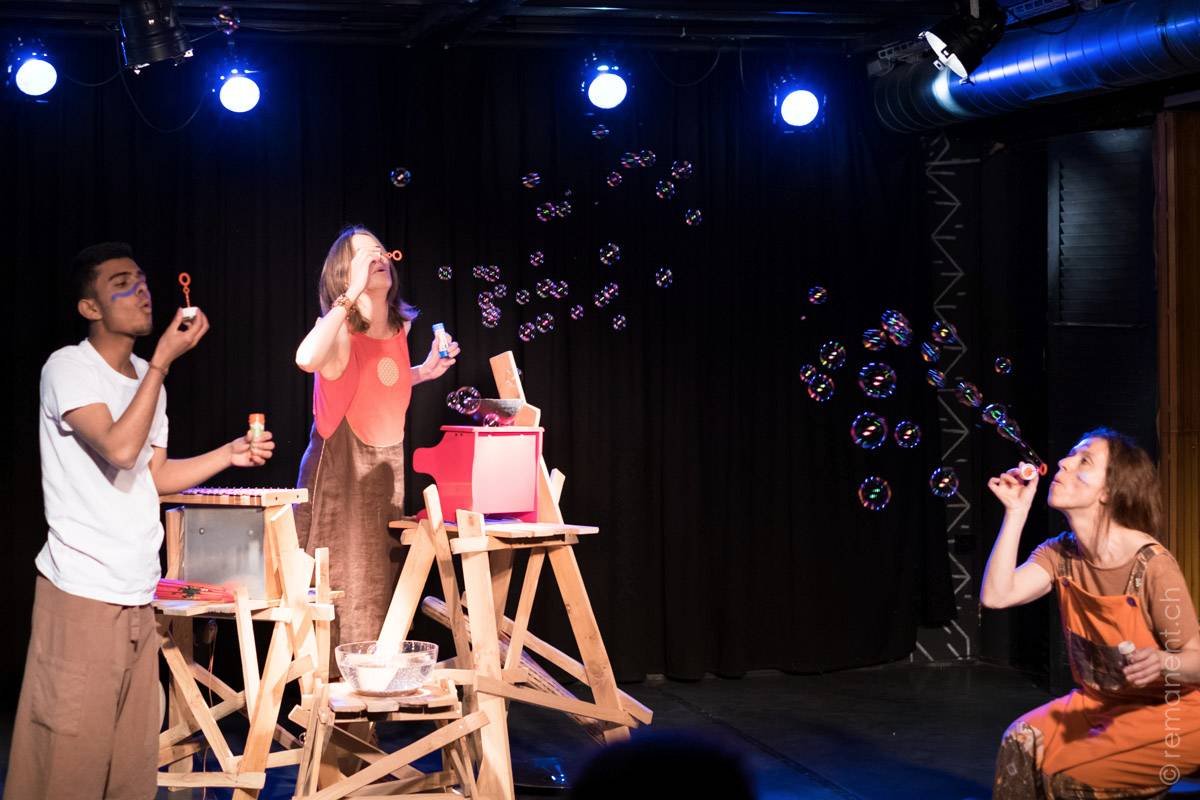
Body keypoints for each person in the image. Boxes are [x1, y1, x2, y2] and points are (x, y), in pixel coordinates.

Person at [4, 242, 275, 800]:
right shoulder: (68, 367)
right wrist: (162, 363)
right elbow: (120, 448)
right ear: (90, 308)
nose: (142, 291)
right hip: (81, 593)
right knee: (68, 765)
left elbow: (153, 477)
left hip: (137, 593)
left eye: (143, 280)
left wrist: (228, 454)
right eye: (122, 284)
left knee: (130, 769)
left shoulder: (148, 381)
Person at [982, 428, 1200, 798]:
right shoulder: (1060, 554)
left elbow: (1196, 659)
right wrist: (1016, 512)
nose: (1063, 463)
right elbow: (997, 596)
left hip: (1172, 713)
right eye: (1070, 455)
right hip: (1101, 705)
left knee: (1073, 778)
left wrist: (1164, 662)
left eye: (1084, 460)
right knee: (1019, 742)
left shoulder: (1151, 564)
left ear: (1109, 491)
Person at [294, 225, 459, 649]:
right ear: (343, 272)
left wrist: (422, 372)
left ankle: (373, 683)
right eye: (365, 254)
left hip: (384, 483)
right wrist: (349, 294)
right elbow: (306, 358)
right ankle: (337, 686)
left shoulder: (401, 331)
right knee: (341, 596)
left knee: (379, 595)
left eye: (381, 250)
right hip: (339, 485)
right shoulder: (339, 333)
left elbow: (379, 384)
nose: (379, 257)